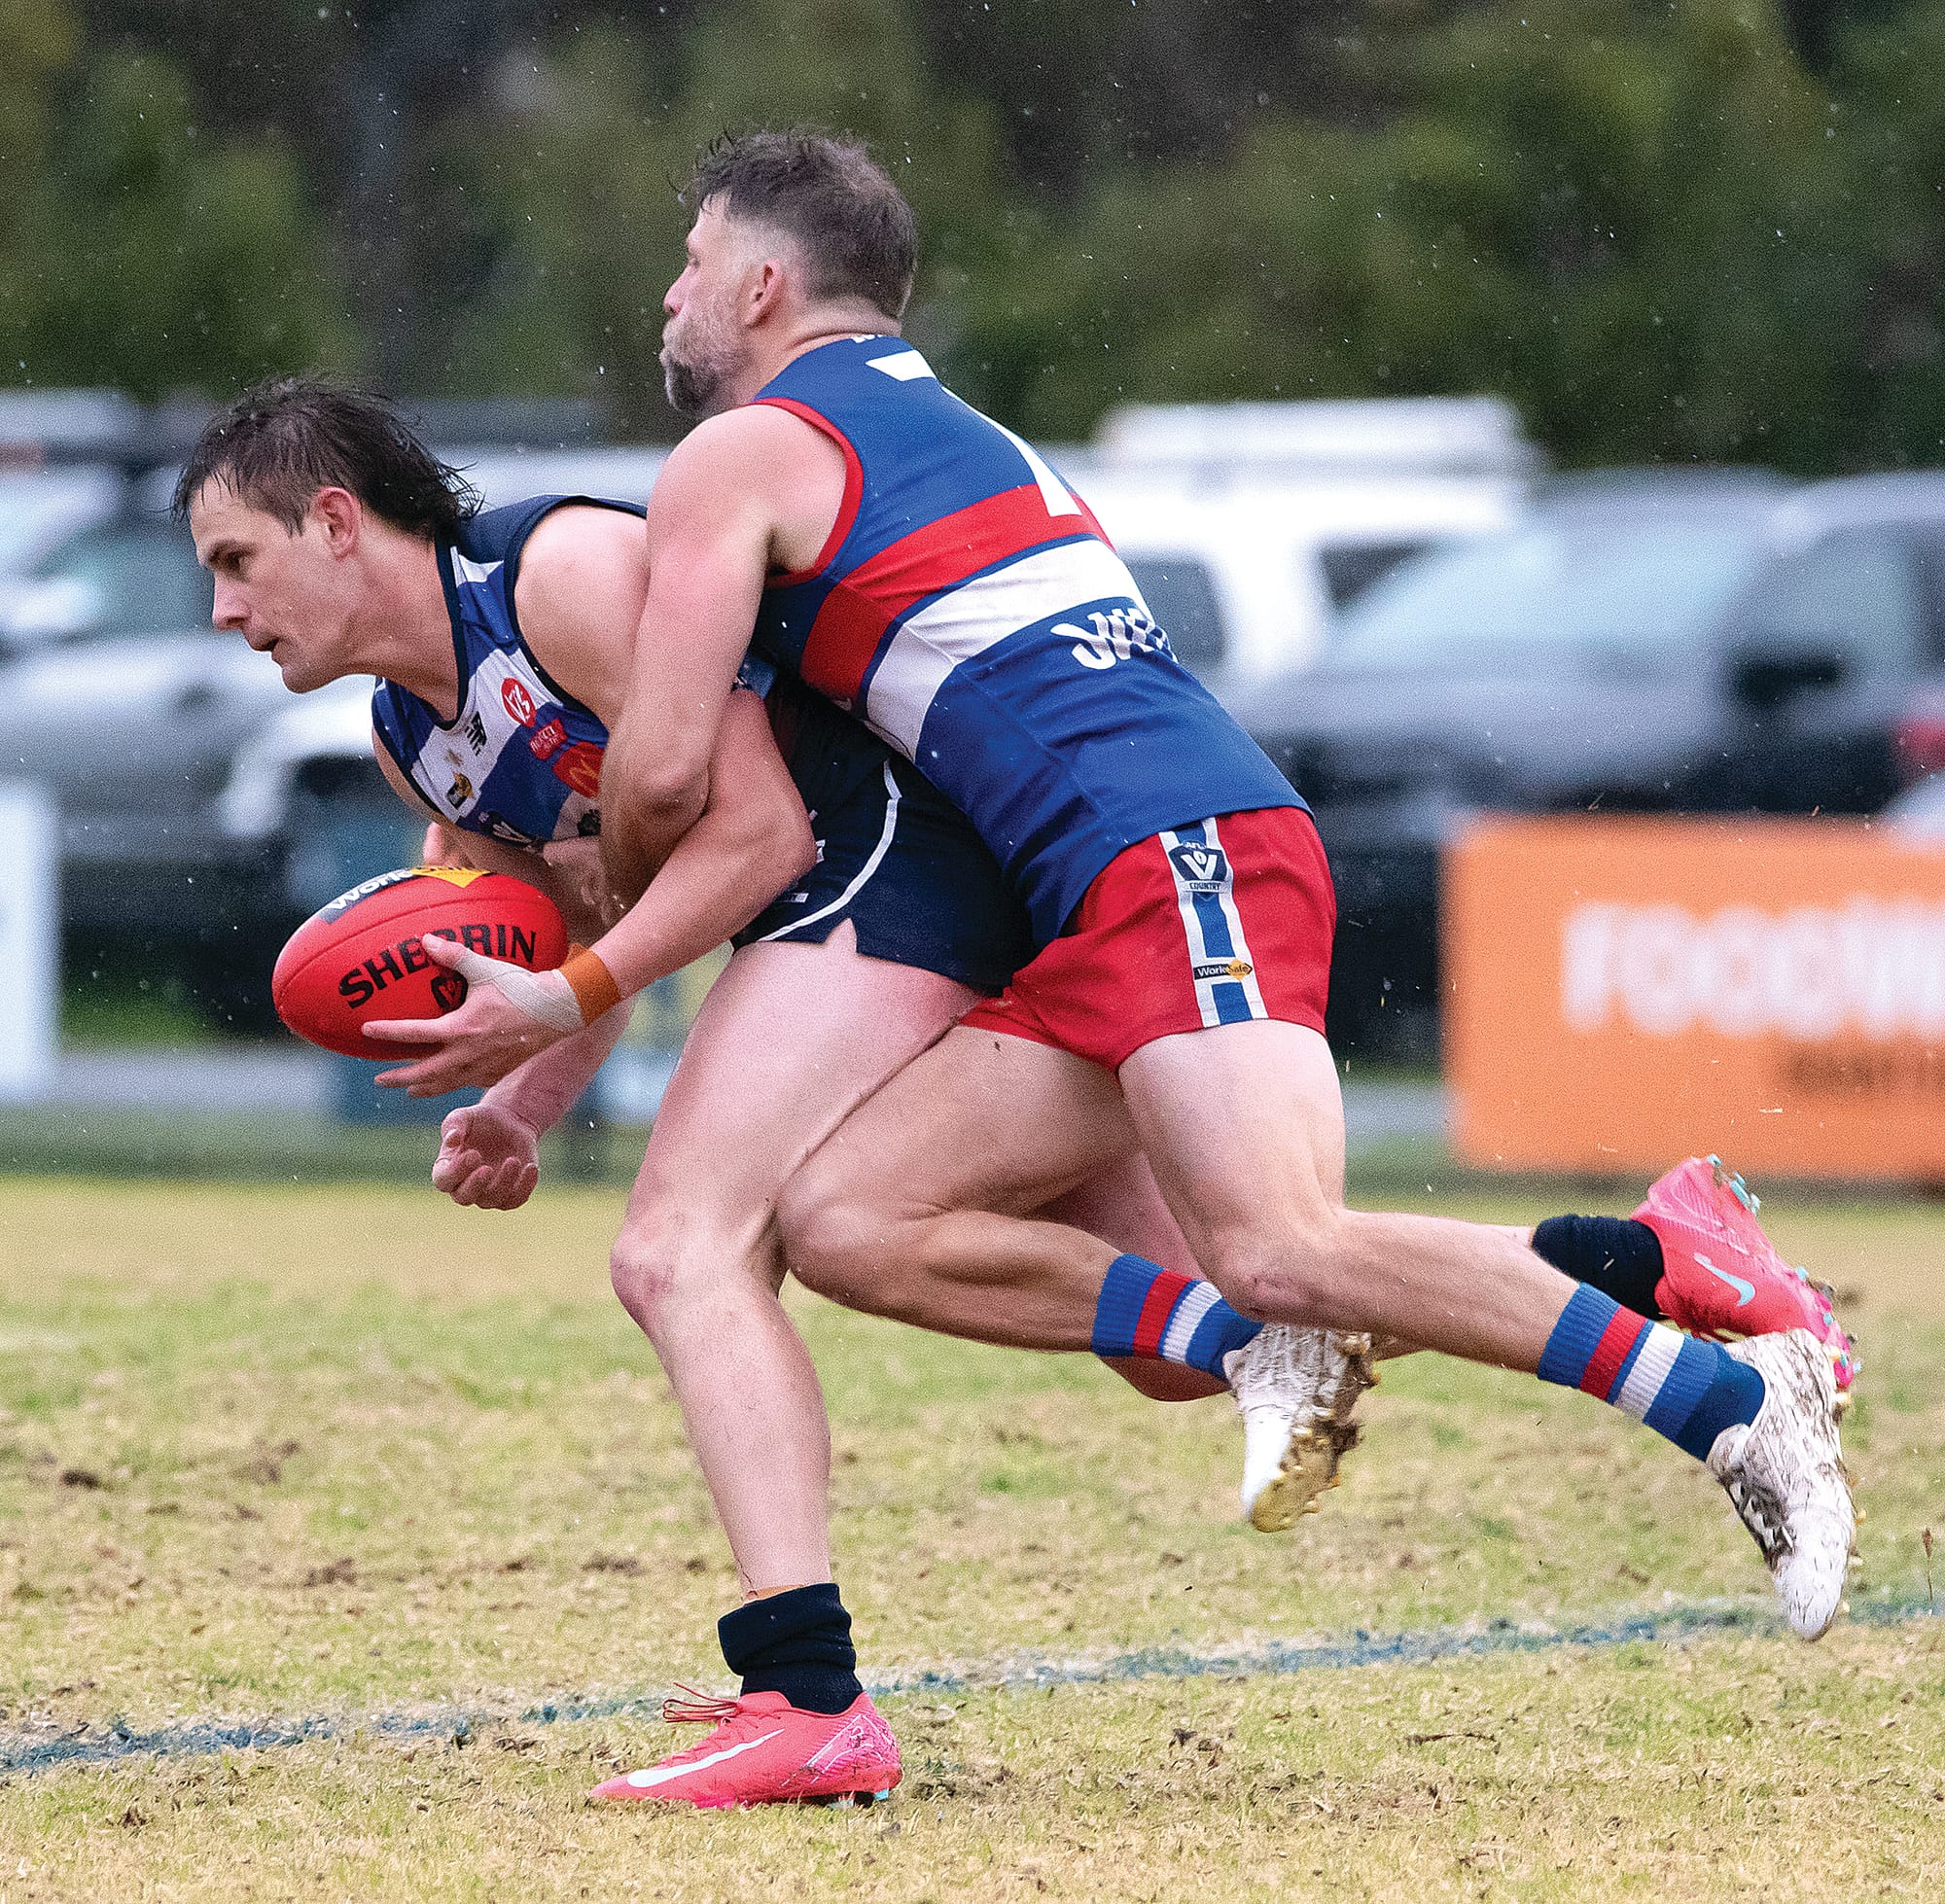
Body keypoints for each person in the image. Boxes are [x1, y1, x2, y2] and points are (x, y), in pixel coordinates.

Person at [581, 126, 1857, 1717]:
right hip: (1088, 889)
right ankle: (1646, 1256)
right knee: (864, 1225)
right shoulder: (962, 429)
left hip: (1170, 850)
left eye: (693, 264)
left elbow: (663, 758)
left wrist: (601, 911)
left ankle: (1729, 1401)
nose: (670, 296)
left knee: (1282, 1247)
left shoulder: (742, 451)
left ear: (766, 282)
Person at [175, 375, 1408, 1810]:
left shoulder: (550, 575)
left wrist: (564, 1003)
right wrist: (526, 1095)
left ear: (335, 520)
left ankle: (805, 1691)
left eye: (235, 562)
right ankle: (1616, 1268)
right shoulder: (416, 734)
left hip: (888, 866)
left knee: (678, 1246)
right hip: (869, 900)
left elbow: (753, 832)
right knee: (1197, 1315)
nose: (221, 610)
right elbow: (588, 917)